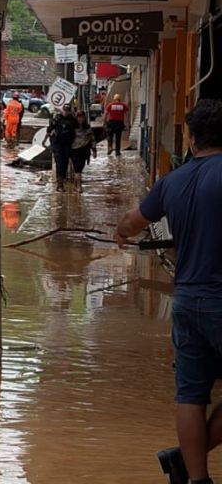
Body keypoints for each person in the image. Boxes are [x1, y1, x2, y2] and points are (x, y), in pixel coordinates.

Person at [114, 99, 222, 484]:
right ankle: (186, 457)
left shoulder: (171, 181)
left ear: (192, 140)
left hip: (188, 301)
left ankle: (195, 477)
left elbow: (132, 222)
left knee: (191, 395)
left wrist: (121, 233)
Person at [46, 103, 78, 192]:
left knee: (65, 163)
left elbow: (78, 130)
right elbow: (49, 129)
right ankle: (60, 185)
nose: (66, 113)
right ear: (62, 110)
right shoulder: (57, 118)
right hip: (58, 144)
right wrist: (48, 140)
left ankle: (62, 180)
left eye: (68, 111)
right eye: (65, 111)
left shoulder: (73, 120)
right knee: (59, 163)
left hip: (68, 144)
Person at [70, 110, 95, 183]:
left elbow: (92, 139)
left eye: (82, 117)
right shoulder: (72, 127)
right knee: (77, 166)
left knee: (81, 166)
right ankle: (78, 184)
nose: (80, 119)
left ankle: (77, 181)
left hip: (84, 150)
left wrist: (94, 150)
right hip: (74, 149)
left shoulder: (87, 127)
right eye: (79, 117)